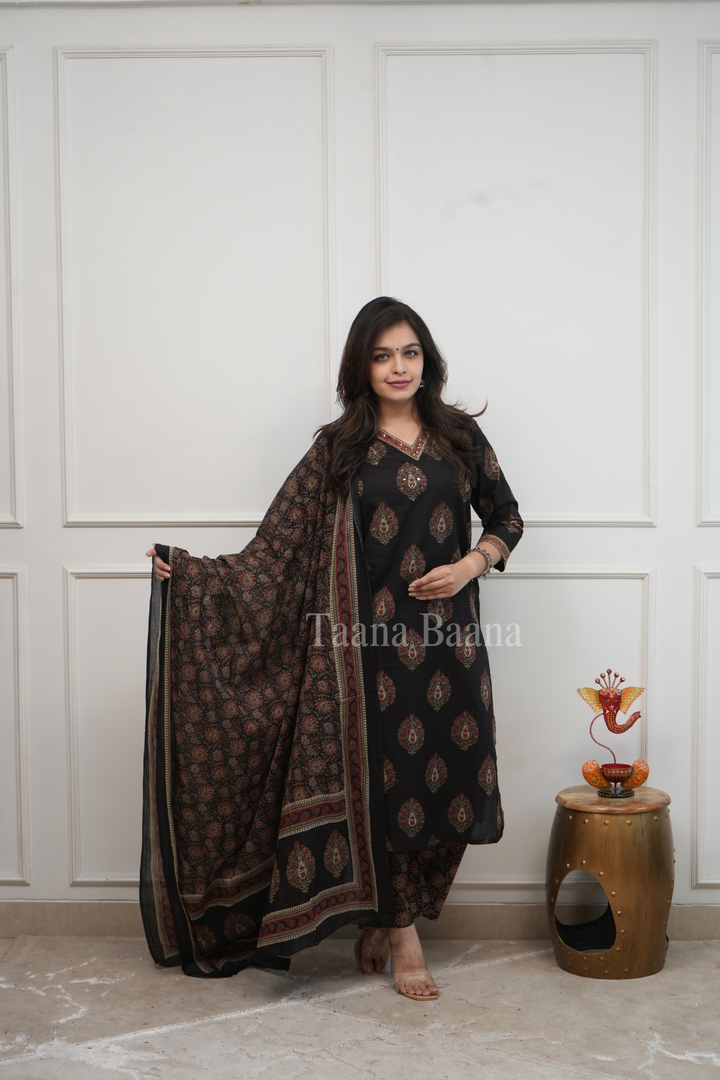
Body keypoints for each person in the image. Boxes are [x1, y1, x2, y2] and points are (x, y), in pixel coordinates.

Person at [143, 296, 522, 1001]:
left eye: (409, 352)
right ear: (361, 367)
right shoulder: (338, 447)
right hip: (367, 655)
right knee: (394, 789)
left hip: (453, 645)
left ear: (427, 359)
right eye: (382, 356)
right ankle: (402, 933)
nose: (398, 367)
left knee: (452, 787)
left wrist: (471, 565)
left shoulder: (460, 436)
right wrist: (193, 574)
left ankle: (382, 915)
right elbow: (274, 551)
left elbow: (508, 517)